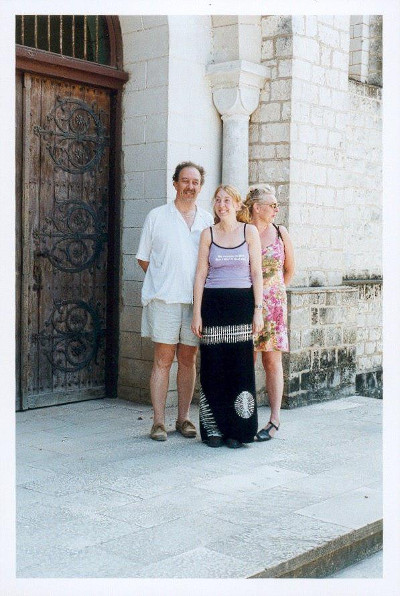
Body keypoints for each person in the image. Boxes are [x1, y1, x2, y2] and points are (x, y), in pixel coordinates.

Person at [136, 162, 214, 441]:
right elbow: (143, 258)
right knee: (162, 359)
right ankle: (158, 422)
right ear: (175, 183)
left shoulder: (207, 220)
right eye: (185, 181)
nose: (190, 186)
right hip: (165, 300)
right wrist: (165, 279)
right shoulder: (157, 216)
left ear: (200, 186)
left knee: (188, 359)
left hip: (195, 304)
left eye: (195, 182)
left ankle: (183, 419)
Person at [191, 185, 264, 448]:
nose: (222, 205)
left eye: (227, 200)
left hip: (242, 305)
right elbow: (200, 275)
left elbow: (257, 273)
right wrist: (197, 313)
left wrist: (258, 310)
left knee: (240, 367)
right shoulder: (207, 234)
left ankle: (239, 430)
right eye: (218, 200)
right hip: (213, 306)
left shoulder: (249, 231)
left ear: (236, 204)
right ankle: (213, 429)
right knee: (213, 368)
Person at [244, 184, 295, 441]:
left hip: (274, 307)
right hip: (247, 305)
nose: (277, 209)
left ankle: (274, 419)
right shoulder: (244, 231)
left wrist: (274, 292)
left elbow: (289, 269)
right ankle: (245, 416)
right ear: (257, 207)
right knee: (247, 362)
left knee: (272, 361)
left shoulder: (280, 232)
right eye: (272, 205)